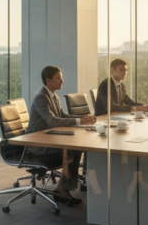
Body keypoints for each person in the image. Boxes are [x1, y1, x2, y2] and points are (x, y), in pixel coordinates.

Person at [25, 66, 96, 203]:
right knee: (72, 148)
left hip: (49, 138)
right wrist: (79, 120)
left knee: (76, 146)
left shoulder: (53, 96)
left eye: (61, 77)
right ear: (48, 80)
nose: (62, 81)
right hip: (37, 144)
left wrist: (83, 119)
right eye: (58, 78)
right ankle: (63, 189)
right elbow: (53, 121)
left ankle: (63, 188)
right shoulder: (41, 98)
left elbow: (62, 116)